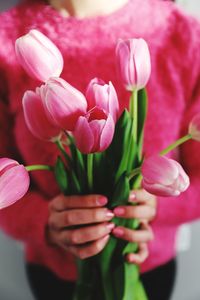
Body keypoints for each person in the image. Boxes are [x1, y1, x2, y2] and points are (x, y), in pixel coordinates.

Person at [0, 0, 199, 299]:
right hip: (54, 275)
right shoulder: (8, 39)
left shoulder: (182, 35)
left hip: (150, 270)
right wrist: (47, 222)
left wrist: (156, 208)